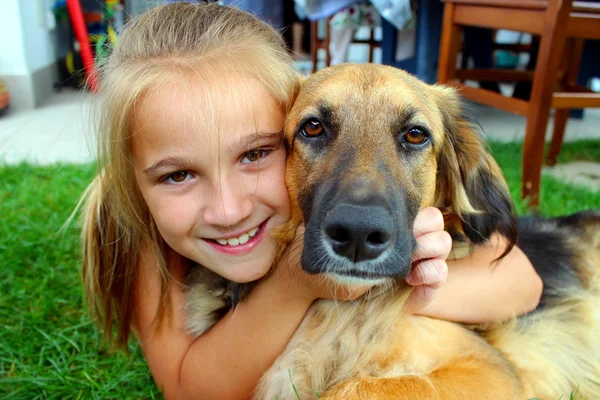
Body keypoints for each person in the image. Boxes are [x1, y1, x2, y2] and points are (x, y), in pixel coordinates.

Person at [81, 3, 543, 399]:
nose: (228, 209)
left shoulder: (443, 228)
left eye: (254, 154)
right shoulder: (146, 223)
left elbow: (523, 282)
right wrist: (299, 284)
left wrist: (402, 287)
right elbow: (188, 390)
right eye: (178, 174)